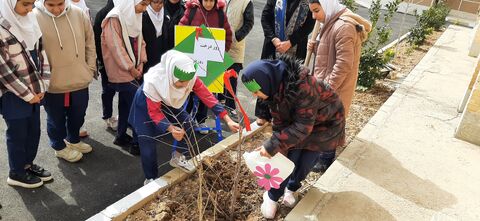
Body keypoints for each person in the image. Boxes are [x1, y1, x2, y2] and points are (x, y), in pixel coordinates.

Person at [241, 55, 345, 219]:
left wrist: (272, 145)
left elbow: (303, 127)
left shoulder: (304, 88)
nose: (255, 95)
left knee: (306, 161)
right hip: (301, 123)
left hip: (324, 125)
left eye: (255, 91)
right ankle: (272, 196)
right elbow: (281, 123)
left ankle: (292, 187)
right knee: (287, 158)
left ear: (267, 82)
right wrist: (274, 146)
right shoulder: (274, 90)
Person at [129, 50, 239, 184]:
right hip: (147, 103)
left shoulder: (189, 76)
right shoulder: (155, 83)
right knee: (147, 141)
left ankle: (178, 157)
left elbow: (207, 96)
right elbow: (155, 112)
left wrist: (227, 119)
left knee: (189, 124)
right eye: (181, 82)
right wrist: (171, 128)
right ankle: (150, 177)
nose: (186, 85)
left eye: (187, 82)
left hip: (168, 100)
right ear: (171, 77)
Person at [307, 0, 371, 172]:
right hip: (327, 82)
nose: (314, 16)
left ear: (326, 6)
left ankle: (326, 158)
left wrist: (327, 88)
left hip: (337, 86)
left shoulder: (344, 27)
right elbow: (329, 54)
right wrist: (315, 48)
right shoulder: (330, 22)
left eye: (316, 10)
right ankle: (320, 153)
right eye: (312, 12)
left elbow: (343, 64)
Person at [34, 0, 96, 162]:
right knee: (56, 118)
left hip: (79, 78)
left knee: (78, 114)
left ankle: (73, 140)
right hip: (52, 82)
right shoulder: (34, 17)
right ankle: (59, 147)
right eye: (51, 5)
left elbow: (90, 42)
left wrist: (89, 68)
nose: (56, 9)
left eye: (60, 3)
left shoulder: (78, 13)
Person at [0, 0, 52, 188]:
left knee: (33, 131)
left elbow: (42, 54)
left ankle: (27, 164)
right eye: (26, 4)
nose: (31, 9)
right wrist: (29, 95)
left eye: (32, 3)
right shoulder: (2, 27)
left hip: (36, 91)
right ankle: (16, 172)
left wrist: (44, 85)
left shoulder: (31, 20)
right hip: (14, 95)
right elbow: (4, 72)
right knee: (18, 134)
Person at [256, 0, 315, 126]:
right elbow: (265, 17)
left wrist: (290, 42)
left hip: (296, 46)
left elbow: (309, 25)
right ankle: (263, 113)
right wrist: (273, 38)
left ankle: (282, 117)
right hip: (273, 45)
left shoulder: (308, 2)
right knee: (266, 78)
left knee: (289, 82)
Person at [101, 0, 150, 155]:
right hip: (121, 70)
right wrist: (131, 68)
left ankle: (121, 136)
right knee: (138, 106)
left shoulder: (135, 16)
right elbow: (116, 48)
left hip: (133, 69)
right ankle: (137, 143)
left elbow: (141, 41)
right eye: (142, 4)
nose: (144, 8)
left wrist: (141, 62)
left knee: (125, 104)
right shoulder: (114, 18)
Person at [179, 0, 233, 134]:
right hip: (192, 60)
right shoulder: (191, 11)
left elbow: (228, 36)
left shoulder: (221, 15)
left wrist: (221, 55)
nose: (208, 4)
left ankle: (201, 119)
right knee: (188, 91)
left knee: (206, 91)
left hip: (210, 62)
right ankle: (185, 120)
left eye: (211, 1)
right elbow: (181, 30)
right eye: (205, 0)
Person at [219, 0, 254, 117]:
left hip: (235, 46)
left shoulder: (246, 2)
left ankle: (230, 106)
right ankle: (219, 100)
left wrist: (237, 36)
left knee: (231, 76)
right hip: (218, 42)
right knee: (217, 73)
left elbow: (249, 23)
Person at [94, 0, 118, 132]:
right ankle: (107, 116)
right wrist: (101, 62)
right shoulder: (103, 14)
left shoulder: (128, 11)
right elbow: (96, 41)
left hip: (124, 61)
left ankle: (122, 117)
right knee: (108, 90)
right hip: (107, 60)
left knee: (124, 93)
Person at [71, 0, 91, 138]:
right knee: (65, 99)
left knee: (81, 98)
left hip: (82, 56)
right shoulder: (59, 5)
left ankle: (78, 125)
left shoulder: (83, 5)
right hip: (66, 57)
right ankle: (68, 133)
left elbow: (89, 33)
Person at [142, 0, 168, 72]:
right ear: (149, 3)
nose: (159, 5)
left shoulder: (164, 13)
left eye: (161, 2)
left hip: (161, 51)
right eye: (155, 2)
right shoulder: (143, 14)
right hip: (148, 52)